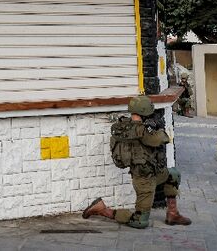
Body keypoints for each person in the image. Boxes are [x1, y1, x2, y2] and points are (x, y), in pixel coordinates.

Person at [82, 95, 192, 229]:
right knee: (140, 221)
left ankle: (173, 214)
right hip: (144, 180)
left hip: (154, 172)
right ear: (145, 112)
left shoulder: (127, 126)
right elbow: (163, 138)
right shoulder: (142, 130)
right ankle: (102, 209)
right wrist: (158, 127)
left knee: (173, 175)